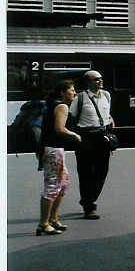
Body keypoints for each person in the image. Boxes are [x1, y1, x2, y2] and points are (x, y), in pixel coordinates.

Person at [37, 80, 81, 236]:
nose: (75, 93)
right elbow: (59, 129)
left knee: (63, 183)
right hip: (54, 150)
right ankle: (44, 223)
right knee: (52, 186)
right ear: (62, 92)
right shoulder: (62, 106)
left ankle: (53, 219)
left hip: (53, 150)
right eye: (72, 90)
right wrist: (74, 135)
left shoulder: (53, 105)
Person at [70, 70, 115, 219]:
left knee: (102, 171)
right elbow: (72, 117)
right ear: (88, 82)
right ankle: (90, 206)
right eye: (96, 79)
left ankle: (88, 199)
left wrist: (109, 119)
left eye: (100, 79)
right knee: (86, 173)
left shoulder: (107, 95)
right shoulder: (80, 98)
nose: (99, 81)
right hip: (86, 138)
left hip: (102, 136)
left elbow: (106, 112)